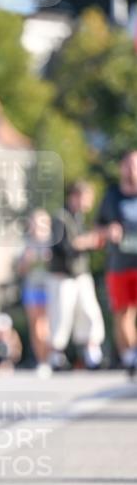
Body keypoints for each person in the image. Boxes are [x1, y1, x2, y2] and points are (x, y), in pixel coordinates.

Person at [47, 181, 105, 371]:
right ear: (75, 196)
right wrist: (87, 241)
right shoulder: (60, 218)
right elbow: (64, 246)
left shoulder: (79, 219)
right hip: (63, 276)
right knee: (61, 316)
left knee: (90, 312)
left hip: (81, 274)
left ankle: (92, 353)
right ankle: (56, 356)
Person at [97, 149, 137, 376]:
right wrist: (108, 231)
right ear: (121, 168)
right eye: (128, 165)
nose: (132, 170)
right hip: (119, 264)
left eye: (135, 165)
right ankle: (131, 357)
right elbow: (97, 228)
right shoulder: (112, 195)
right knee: (123, 313)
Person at [17, 208, 52, 375]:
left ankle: (52, 356)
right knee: (36, 325)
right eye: (34, 222)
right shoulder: (26, 243)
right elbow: (20, 270)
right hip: (32, 288)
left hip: (50, 288)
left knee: (49, 324)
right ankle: (42, 360)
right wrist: (27, 260)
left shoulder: (53, 242)